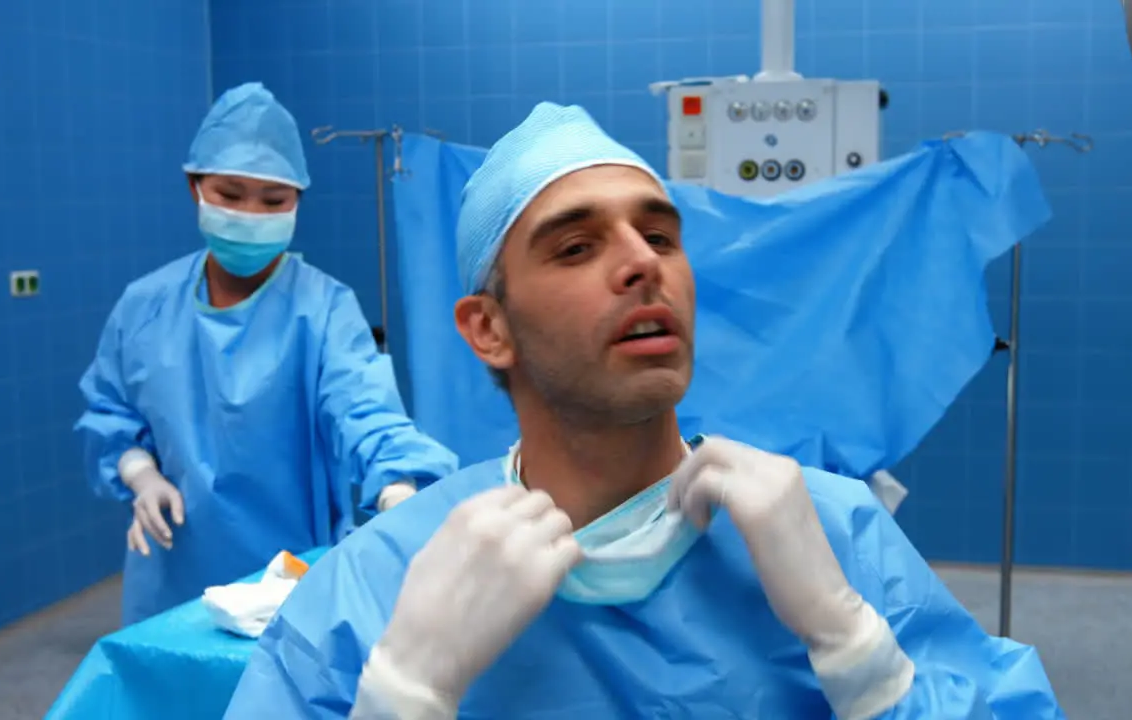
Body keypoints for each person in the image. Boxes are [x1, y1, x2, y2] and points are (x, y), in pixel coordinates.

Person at [223, 103, 1064, 719]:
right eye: (577, 246)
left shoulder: (836, 536)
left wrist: (861, 658)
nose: (640, 264)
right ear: (488, 330)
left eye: (660, 237)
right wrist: (404, 697)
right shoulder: (375, 586)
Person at [74, 82, 459, 626]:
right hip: (173, 574)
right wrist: (140, 475)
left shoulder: (324, 309)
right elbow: (111, 412)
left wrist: (400, 488)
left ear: (298, 200)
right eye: (230, 194)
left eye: (273, 200)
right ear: (195, 188)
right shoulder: (145, 306)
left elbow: (365, 411)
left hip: (290, 574)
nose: (250, 214)